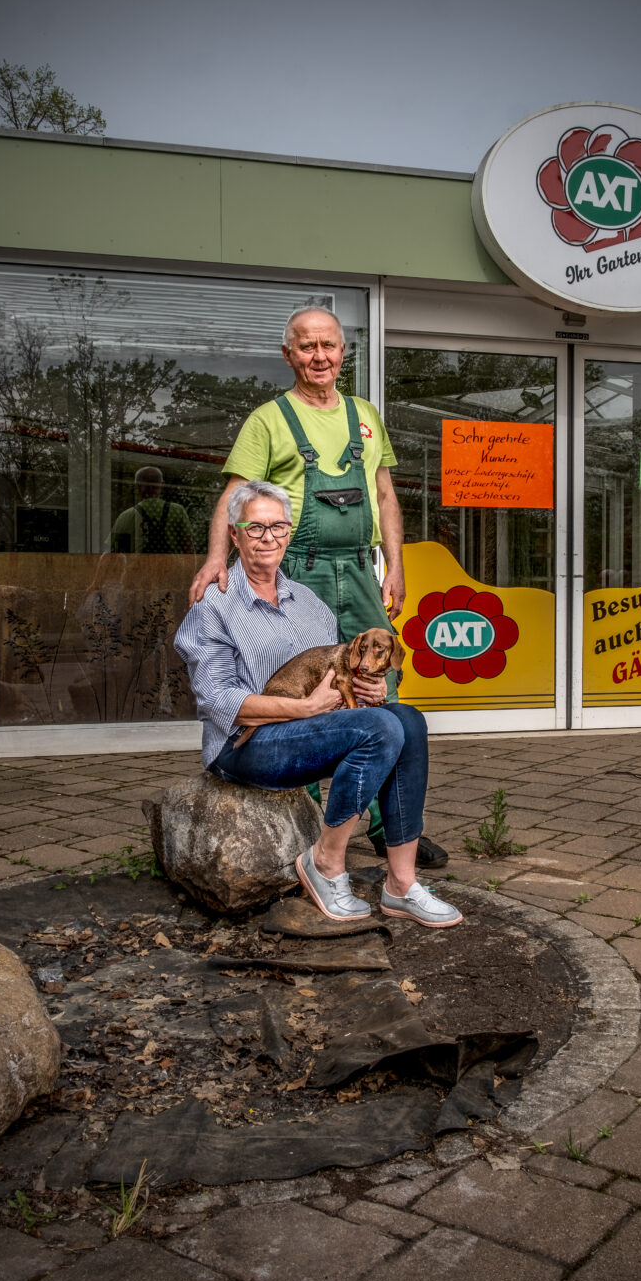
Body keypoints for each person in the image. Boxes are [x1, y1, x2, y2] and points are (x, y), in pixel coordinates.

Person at [186, 306, 447, 868]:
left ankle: (387, 826)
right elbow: (234, 498)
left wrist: (394, 566)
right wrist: (215, 559)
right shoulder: (269, 420)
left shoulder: (364, 415)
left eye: (328, 345)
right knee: (308, 688)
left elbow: (384, 496)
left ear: (343, 353)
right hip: (298, 569)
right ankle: (303, 824)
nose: (320, 356)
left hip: (357, 568)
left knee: (383, 687)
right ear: (289, 355)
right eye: (307, 347)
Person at [174, 480, 462, 927]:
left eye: (278, 526)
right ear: (234, 534)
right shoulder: (214, 604)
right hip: (244, 746)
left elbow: (340, 675)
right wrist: (304, 708)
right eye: (255, 528)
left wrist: (370, 691)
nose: (267, 537)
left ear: (289, 534)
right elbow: (217, 700)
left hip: (308, 735)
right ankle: (325, 864)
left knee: (406, 719)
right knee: (380, 728)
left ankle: (401, 884)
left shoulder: (310, 603)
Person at [109, 467, 195, 554]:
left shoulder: (125, 516)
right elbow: (188, 548)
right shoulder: (178, 511)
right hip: (173, 567)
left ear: (138, 486)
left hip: (138, 567)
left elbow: (114, 551)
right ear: (162, 485)